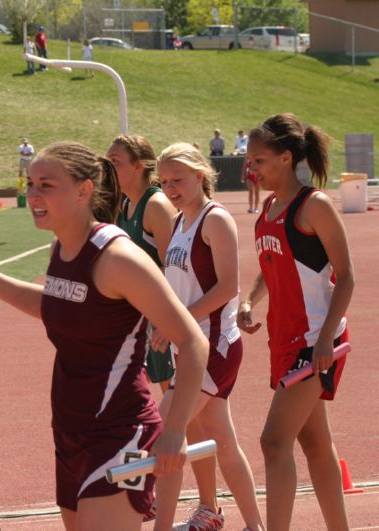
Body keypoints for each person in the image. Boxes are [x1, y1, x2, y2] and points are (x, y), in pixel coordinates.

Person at [0, 141, 209, 530]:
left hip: (120, 433)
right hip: (70, 431)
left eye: (47, 184)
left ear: (84, 190)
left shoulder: (118, 257)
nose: (33, 194)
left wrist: (176, 430)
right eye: (31, 184)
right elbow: (55, 303)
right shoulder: (61, 249)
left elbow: (192, 341)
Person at [238, 113, 353, 531]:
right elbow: (270, 267)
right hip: (284, 341)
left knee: (273, 441)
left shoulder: (314, 206)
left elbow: (347, 276)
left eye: (259, 161)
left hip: (315, 342)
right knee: (314, 442)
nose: (251, 169)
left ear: (286, 158)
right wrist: (248, 301)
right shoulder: (269, 208)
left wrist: (324, 340)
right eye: (250, 161)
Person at [150, 143, 264, 531]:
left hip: (214, 347)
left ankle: (161, 527)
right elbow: (182, 288)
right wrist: (163, 319)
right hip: (192, 347)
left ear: (201, 174)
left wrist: (175, 322)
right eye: (163, 182)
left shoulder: (215, 220)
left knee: (165, 431)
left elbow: (226, 288)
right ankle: (254, 526)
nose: (170, 188)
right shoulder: (181, 222)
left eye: (178, 179)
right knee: (223, 442)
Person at [107, 135, 177, 393]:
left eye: (114, 162)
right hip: (140, 317)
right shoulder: (125, 204)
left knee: (178, 401)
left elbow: (174, 267)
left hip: (163, 318)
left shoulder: (156, 205)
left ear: (138, 166)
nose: (108, 167)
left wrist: (165, 319)